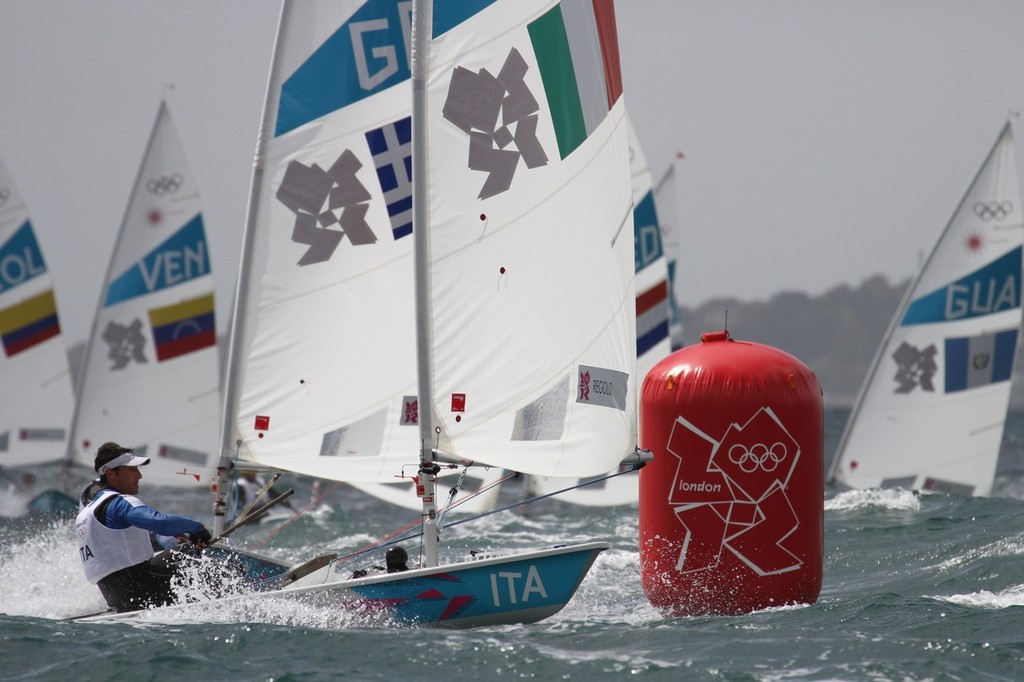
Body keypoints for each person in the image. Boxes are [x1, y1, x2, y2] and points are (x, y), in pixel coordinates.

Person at [75, 442, 213, 612]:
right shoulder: (119, 503)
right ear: (111, 473)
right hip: (142, 588)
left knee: (184, 550)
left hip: (116, 595)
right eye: (132, 470)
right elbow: (159, 522)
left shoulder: (85, 513)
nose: (139, 475)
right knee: (210, 567)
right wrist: (197, 528)